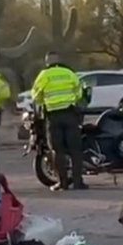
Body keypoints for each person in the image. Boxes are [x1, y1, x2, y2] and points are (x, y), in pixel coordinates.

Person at [30, 51, 88, 190]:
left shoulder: (44, 75)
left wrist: (46, 101)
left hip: (53, 116)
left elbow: (36, 96)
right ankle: (78, 182)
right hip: (70, 114)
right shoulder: (69, 73)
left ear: (47, 62)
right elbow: (79, 93)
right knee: (75, 150)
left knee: (57, 151)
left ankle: (62, 183)